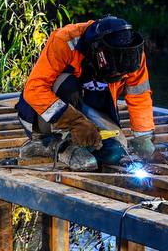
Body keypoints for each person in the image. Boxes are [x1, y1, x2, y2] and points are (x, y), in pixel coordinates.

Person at [16, 15, 157, 171]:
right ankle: (48, 143)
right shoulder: (65, 41)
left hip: (89, 107)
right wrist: (75, 121)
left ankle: (77, 143)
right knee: (65, 81)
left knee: (115, 152)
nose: (118, 75)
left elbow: (139, 94)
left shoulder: (132, 55)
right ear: (98, 52)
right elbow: (34, 89)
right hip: (44, 118)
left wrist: (143, 136)